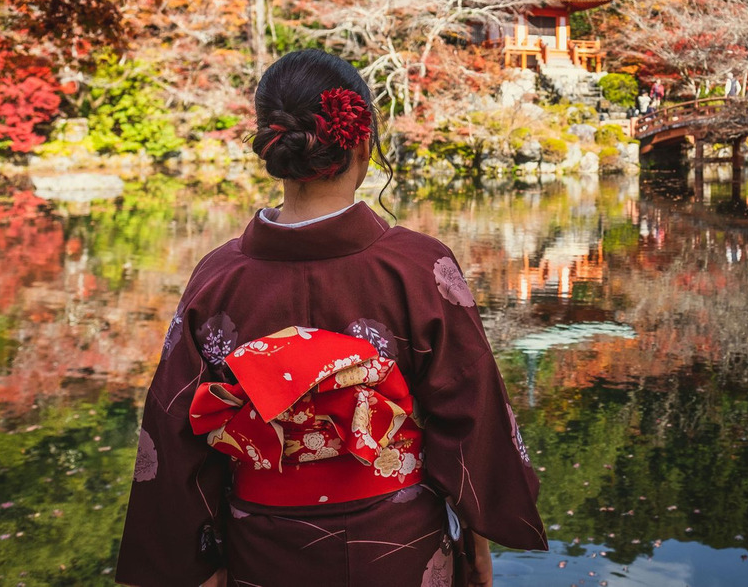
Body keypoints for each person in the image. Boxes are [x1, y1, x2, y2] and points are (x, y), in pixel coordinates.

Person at [116, 50, 546, 587]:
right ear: (363, 142)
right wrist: (477, 542)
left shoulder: (217, 278)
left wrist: (196, 565)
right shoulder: (419, 268)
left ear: (272, 148)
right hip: (400, 547)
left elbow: (173, 427)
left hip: (262, 549)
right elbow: (470, 415)